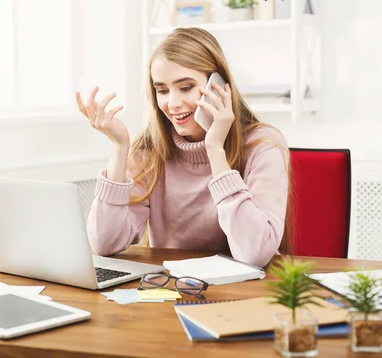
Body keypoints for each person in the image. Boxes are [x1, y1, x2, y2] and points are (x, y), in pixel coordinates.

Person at [75, 27, 290, 268]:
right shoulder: (150, 149)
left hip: (244, 294)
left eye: (185, 87)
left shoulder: (263, 145)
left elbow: (255, 254)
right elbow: (105, 244)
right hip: (171, 290)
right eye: (162, 90)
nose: (173, 103)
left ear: (218, 85)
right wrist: (119, 146)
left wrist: (215, 149)